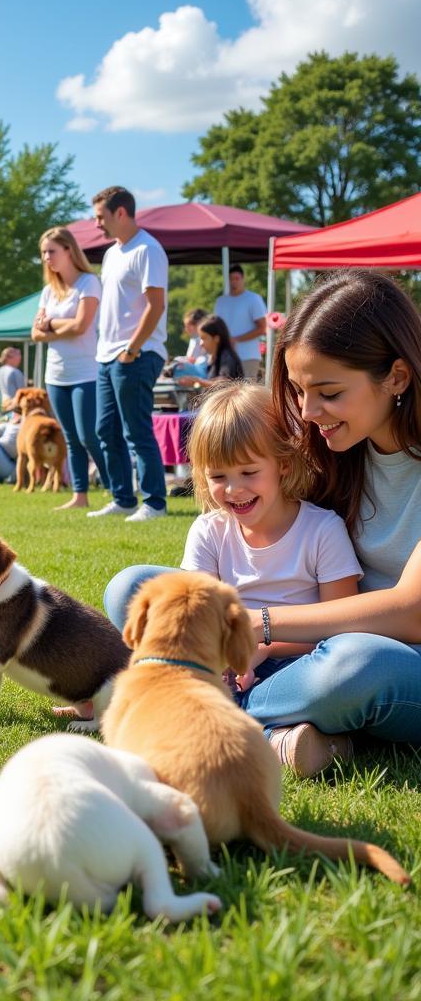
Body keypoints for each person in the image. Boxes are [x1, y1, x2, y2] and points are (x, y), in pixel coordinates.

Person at [104, 270, 421, 776]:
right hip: (307, 645)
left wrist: (256, 626)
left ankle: (195, 714)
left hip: (389, 660)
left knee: (357, 664)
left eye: (329, 392)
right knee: (136, 589)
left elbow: (411, 613)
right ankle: (282, 727)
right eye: (298, 390)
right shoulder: (335, 446)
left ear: (397, 378)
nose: (308, 411)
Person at [182, 382, 360, 694]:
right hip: (228, 659)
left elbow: (343, 626)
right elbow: (199, 616)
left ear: (283, 464)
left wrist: (263, 648)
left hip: (303, 659)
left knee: (350, 665)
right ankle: (275, 726)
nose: (234, 489)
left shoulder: (322, 530)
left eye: (249, 473)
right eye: (218, 477)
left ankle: (260, 714)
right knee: (130, 589)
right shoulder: (209, 531)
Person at [88, 186, 169, 522]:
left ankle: (155, 503)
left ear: (120, 213)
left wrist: (132, 349)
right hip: (108, 356)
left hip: (137, 354)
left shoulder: (148, 250)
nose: (97, 225)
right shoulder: (111, 254)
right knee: (105, 430)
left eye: (100, 218)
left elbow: (156, 305)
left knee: (136, 430)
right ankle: (123, 498)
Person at [31, 226, 109, 511]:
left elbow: (81, 325)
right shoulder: (48, 292)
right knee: (71, 438)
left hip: (86, 372)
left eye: (51, 251)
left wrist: (50, 325)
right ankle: (80, 495)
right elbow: (35, 334)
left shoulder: (89, 283)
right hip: (56, 375)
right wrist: (58, 328)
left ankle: (117, 489)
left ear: (68, 250)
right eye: (43, 253)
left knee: (90, 435)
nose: (46, 258)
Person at [214, 264, 266, 382]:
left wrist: (235, 339)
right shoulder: (220, 301)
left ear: (243, 279)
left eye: (237, 278)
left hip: (248, 356)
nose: (234, 282)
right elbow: (216, 328)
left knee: (246, 394)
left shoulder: (253, 299)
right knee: (225, 393)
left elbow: (262, 328)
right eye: (231, 279)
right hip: (225, 357)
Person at [175, 314, 244, 390]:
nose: (201, 343)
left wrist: (196, 381)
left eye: (203, 338)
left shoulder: (227, 357)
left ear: (216, 339)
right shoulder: (214, 357)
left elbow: (225, 383)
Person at [166, 308, 210, 379]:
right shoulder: (194, 339)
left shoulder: (202, 339)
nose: (186, 329)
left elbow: (193, 360)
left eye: (188, 326)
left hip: (203, 372)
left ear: (198, 324)